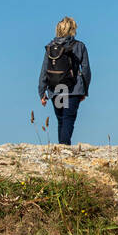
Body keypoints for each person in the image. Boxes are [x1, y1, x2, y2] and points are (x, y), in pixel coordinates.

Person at [38, 16, 91, 146]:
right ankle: (64, 147)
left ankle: (61, 147)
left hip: (56, 88)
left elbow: (44, 70)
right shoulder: (79, 46)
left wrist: (41, 92)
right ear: (72, 29)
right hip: (73, 90)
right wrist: (84, 90)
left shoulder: (50, 47)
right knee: (68, 119)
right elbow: (86, 70)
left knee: (61, 120)